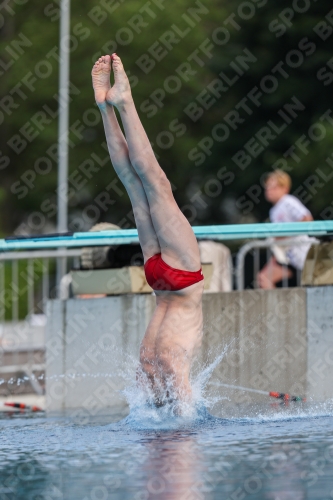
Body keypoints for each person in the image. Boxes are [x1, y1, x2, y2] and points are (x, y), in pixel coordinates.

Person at [91, 54, 204, 407]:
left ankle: (105, 108)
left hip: (161, 279)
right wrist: (185, 427)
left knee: (150, 367)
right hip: (177, 275)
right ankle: (122, 103)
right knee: (153, 181)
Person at [257, 170, 313, 289]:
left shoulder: (288, 201)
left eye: (273, 187)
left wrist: (286, 236)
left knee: (265, 278)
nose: (268, 190)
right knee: (263, 278)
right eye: (267, 187)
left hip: (300, 255)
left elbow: (307, 218)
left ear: (285, 188)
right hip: (288, 257)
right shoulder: (273, 210)